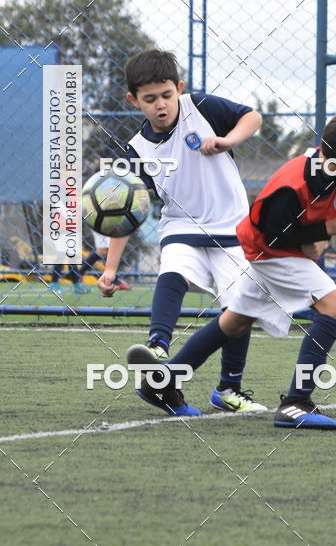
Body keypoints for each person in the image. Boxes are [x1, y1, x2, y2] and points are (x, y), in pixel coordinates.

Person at [129, 110, 336, 430]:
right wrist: (324, 230)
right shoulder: (293, 185)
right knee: (335, 307)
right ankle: (295, 403)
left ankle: (162, 381)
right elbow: (273, 234)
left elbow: (321, 214)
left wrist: (320, 236)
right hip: (270, 250)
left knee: (236, 321)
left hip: (277, 249)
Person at [98, 48, 265, 415]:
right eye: (150, 99)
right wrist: (110, 269)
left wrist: (228, 140)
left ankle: (228, 389)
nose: (161, 105)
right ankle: (157, 346)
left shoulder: (201, 108)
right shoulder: (137, 150)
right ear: (133, 100)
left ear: (180, 88)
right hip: (181, 226)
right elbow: (126, 213)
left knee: (240, 310)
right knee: (173, 271)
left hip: (232, 229)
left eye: (166, 94)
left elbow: (252, 117)